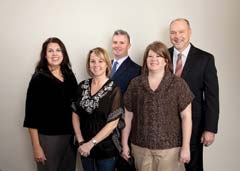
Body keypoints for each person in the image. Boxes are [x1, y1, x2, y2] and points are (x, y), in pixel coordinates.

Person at [122, 41, 194, 171]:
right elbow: (128, 116)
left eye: (158, 56)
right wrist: (124, 144)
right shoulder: (135, 84)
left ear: (166, 60)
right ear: (145, 60)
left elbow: (186, 117)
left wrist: (186, 147)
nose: (154, 59)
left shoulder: (178, 84)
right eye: (150, 56)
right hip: (141, 148)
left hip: (170, 150)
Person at [168, 18, 219, 171]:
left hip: (194, 125)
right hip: (165, 126)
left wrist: (210, 128)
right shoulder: (161, 56)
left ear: (190, 32)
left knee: (193, 167)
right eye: (173, 32)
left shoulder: (205, 59)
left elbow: (212, 97)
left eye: (181, 32)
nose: (177, 36)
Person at [23, 37, 78, 171]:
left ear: (63, 54)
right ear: (45, 55)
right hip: (48, 139)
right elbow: (31, 116)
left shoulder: (69, 75)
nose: (55, 54)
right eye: (50, 51)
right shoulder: (38, 79)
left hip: (70, 137)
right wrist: (36, 146)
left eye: (58, 50)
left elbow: (77, 106)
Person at [72, 47, 124, 171]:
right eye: (92, 61)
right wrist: (80, 142)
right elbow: (75, 114)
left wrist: (91, 144)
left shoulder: (114, 89)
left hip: (106, 148)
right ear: (88, 65)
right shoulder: (82, 85)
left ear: (107, 64)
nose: (96, 65)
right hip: (83, 146)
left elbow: (112, 124)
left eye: (100, 61)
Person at [110, 29, 141, 171]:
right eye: (115, 42)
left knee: (124, 166)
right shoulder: (103, 66)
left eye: (122, 42)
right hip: (103, 128)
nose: (118, 45)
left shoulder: (137, 70)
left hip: (124, 127)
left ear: (129, 45)